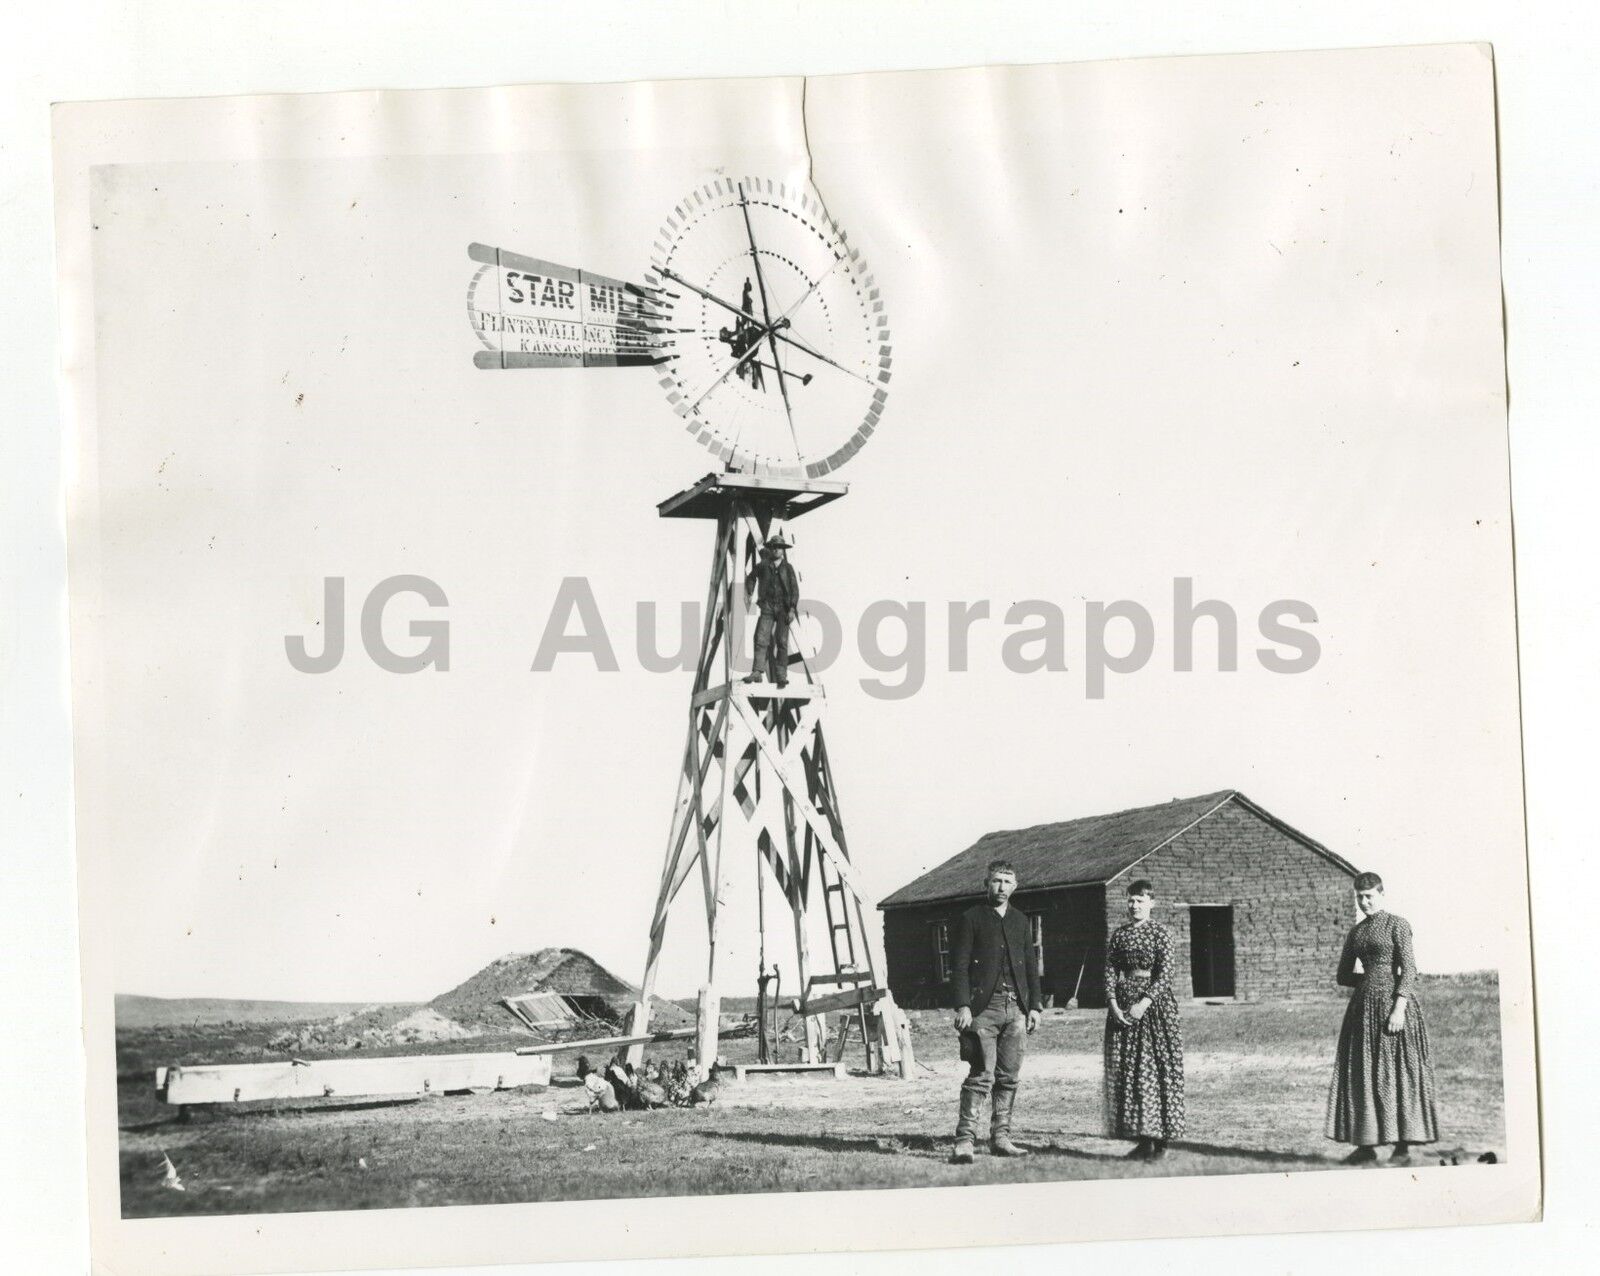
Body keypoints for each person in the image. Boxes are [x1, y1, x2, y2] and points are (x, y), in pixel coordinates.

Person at [1325, 871, 1440, 1164]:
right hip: (1363, 1010)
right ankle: (1366, 1145)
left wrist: (1398, 1006)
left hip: (1395, 1008)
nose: (1364, 902)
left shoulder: (1397, 925)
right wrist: (1369, 983)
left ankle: (1403, 1147)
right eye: (1359, 897)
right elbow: (1342, 975)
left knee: (1398, 1071)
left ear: (1382, 893)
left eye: (1369, 896)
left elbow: (1410, 969)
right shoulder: (1357, 932)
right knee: (1365, 1072)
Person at [948, 859, 1043, 1163]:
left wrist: (1034, 1007)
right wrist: (963, 1004)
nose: (1001, 887)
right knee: (980, 1076)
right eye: (996, 881)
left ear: (1015, 886)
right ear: (985, 884)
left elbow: (1030, 966)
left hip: (1015, 1009)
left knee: (1009, 1077)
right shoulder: (970, 918)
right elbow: (959, 966)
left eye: (1007, 881)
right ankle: (964, 1141)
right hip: (981, 1011)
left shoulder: (1020, 921)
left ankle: (1001, 1138)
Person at [1103, 879, 1186, 1160]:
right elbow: (1110, 971)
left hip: (1155, 1010)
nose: (1134, 905)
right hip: (1123, 1008)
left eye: (1140, 900)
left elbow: (1166, 973)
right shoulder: (1119, 935)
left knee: (1155, 1069)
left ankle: (1160, 1141)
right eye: (1131, 900)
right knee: (1131, 1070)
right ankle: (1142, 1138)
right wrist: (1114, 1004)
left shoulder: (1160, 933)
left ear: (1152, 902)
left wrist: (1144, 1003)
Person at [742, 535, 799, 686]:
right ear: (770, 548)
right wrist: (749, 590)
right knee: (760, 638)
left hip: (783, 609)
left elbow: (794, 589)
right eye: (773, 547)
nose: (776, 550)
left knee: (782, 641)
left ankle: (781, 675)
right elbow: (751, 577)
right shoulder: (763, 566)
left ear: (783, 550)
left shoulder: (788, 568)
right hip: (767, 607)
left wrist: (792, 608)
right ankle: (757, 672)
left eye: (779, 547)